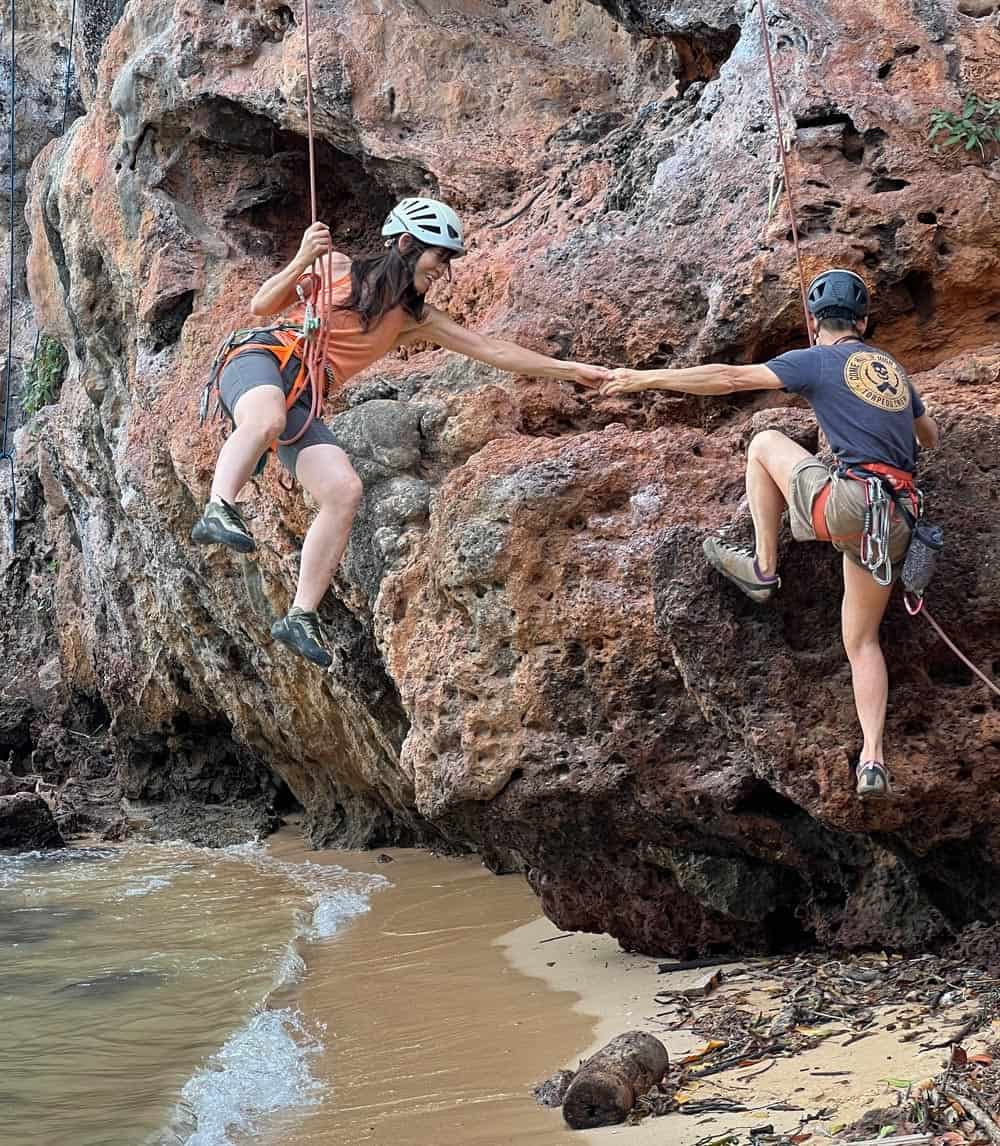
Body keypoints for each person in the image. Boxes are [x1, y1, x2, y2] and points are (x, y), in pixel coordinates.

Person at [192, 197, 609, 669]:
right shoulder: (336, 266)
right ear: (407, 243)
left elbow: (492, 349)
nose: (442, 271)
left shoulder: (414, 319)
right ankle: (219, 507)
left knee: (344, 490)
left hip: (303, 400)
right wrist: (304, 257)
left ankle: (301, 615)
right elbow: (262, 305)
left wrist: (572, 370)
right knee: (266, 418)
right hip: (263, 358)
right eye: (438, 257)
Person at [600, 269, 940, 799]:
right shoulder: (890, 369)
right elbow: (930, 435)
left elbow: (730, 379)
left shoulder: (816, 360)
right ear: (863, 322)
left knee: (763, 444)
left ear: (813, 322)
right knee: (862, 641)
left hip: (849, 506)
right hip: (895, 522)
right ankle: (872, 758)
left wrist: (644, 380)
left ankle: (763, 568)